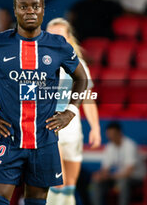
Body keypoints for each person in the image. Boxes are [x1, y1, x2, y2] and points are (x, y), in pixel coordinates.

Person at [0, 0, 88, 205]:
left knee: (36, 202)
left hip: (45, 139)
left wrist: (70, 112)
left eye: (35, 6)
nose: (30, 11)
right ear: (15, 11)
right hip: (9, 138)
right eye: (24, 6)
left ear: (43, 10)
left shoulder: (58, 46)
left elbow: (82, 78)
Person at [45, 17, 102, 205]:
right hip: (49, 129)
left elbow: (88, 100)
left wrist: (95, 128)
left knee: (69, 185)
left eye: (60, 36)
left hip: (73, 131)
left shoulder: (78, 65)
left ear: (69, 39)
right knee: (58, 181)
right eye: (51, 36)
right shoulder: (36, 64)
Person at [90, 121, 147, 205]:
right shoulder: (109, 146)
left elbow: (128, 172)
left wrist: (110, 176)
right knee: (96, 182)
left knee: (123, 182)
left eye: (112, 134)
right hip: (117, 177)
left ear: (119, 133)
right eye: (108, 134)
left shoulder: (130, 145)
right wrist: (101, 175)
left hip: (136, 177)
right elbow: (105, 168)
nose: (110, 137)